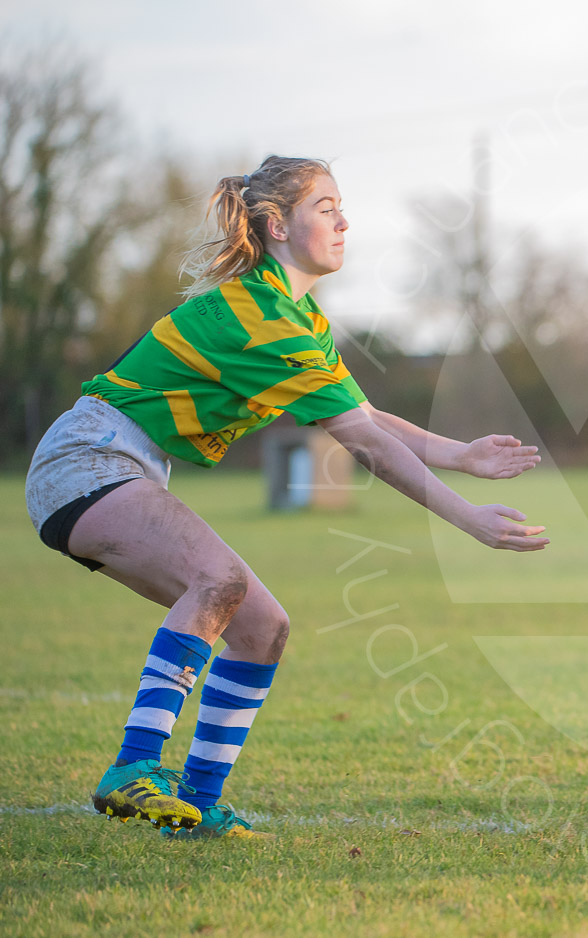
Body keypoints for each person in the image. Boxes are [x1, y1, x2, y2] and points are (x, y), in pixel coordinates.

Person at [24, 156, 548, 839]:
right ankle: (133, 768)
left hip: (123, 467)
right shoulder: (261, 317)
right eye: (325, 207)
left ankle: (197, 806)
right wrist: (467, 517)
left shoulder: (299, 319)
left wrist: (461, 455)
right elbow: (363, 443)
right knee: (220, 580)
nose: (343, 221)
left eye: (341, 207)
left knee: (261, 626)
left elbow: (361, 417)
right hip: (87, 460)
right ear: (277, 225)